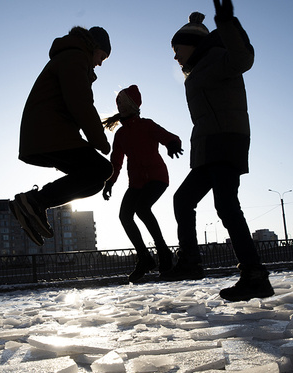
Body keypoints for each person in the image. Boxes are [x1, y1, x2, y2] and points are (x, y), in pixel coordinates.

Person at [161, 0, 274, 301]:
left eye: (177, 48)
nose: (174, 55)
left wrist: (227, 23)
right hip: (208, 146)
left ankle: (254, 275)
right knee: (183, 199)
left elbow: (243, 59)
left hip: (226, 140)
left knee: (225, 205)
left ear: (191, 45)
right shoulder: (197, 68)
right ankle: (190, 262)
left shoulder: (217, 56)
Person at [9, 26, 113, 246]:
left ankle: (34, 205)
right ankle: (32, 201)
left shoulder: (71, 58)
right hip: (49, 132)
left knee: (94, 181)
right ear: (94, 47)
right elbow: (81, 103)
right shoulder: (75, 58)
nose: (101, 63)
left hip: (48, 132)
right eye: (102, 56)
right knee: (102, 169)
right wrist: (100, 142)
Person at [102, 85, 183, 282]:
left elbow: (167, 136)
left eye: (122, 102)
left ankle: (164, 253)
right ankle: (145, 258)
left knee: (142, 208)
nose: (119, 105)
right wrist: (110, 182)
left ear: (132, 104)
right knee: (125, 215)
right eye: (117, 102)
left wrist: (173, 143)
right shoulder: (120, 135)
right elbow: (116, 162)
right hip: (136, 183)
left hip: (157, 177)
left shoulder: (147, 125)